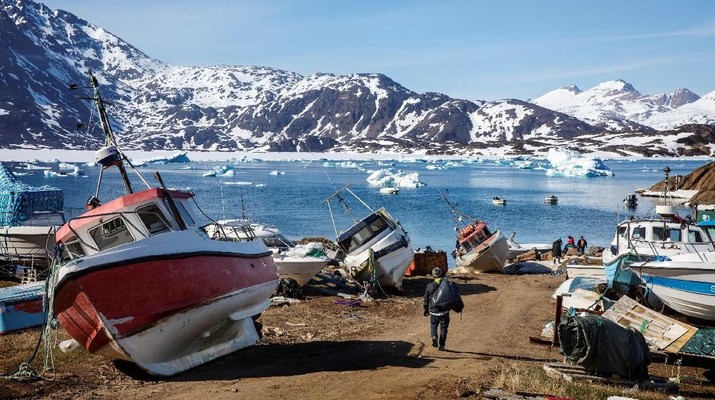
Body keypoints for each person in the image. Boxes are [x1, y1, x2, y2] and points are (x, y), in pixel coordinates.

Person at [423, 267, 450, 351]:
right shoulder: (446, 284)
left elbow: (426, 299)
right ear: (441, 274)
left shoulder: (429, 286)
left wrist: (426, 310)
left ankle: (434, 336)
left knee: (433, 325)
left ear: (433, 275)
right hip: (444, 311)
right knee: (444, 328)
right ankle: (442, 345)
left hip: (434, 311)